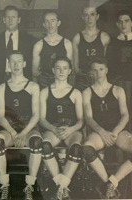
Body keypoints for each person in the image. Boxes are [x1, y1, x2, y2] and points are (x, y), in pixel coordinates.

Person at [82, 57, 132, 199]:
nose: (98, 73)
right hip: (99, 132)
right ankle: (106, 182)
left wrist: (114, 133)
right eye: (94, 70)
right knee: (86, 148)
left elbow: (125, 115)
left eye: (101, 69)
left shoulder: (118, 90)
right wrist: (102, 132)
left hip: (118, 132)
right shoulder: (87, 92)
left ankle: (112, 182)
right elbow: (89, 118)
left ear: (107, 70)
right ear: (91, 72)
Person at [0, 50, 41, 200]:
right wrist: (14, 133)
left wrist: (23, 133)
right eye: (12, 62)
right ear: (8, 64)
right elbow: (0, 116)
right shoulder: (1, 88)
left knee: (37, 141)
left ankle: (29, 186)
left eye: (19, 61)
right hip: (9, 129)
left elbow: (36, 115)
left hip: (28, 128)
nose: (16, 65)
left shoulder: (33, 86)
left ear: (24, 64)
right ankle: (4, 186)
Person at [39, 56, 83, 200]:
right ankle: (62, 185)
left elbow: (81, 120)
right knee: (45, 146)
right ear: (53, 70)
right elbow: (42, 119)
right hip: (53, 130)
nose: (61, 71)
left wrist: (70, 130)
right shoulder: (45, 92)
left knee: (76, 148)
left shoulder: (76, 93)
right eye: (58, 68)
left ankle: (61, 187)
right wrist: (53, 128)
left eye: (65, 68)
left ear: (70, 71)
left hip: (71, 130)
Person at [106, 10, 132, 136]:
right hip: (119, 84)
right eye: (120, 22)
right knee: (120, 116)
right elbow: (110, 66)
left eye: (126, 21)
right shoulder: (112, 44)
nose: (123, 24)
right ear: (117, 24)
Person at [0, 5, 34, 86]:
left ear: (19, 20)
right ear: (4, 20)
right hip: (1, 80)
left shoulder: (29, 40)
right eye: (8, 17)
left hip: (22, 80)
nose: (10, 20)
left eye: (13, 17)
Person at [72, 5, 110, 91]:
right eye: (86, 15)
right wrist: (83, 75)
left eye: (92, 14)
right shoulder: (77, 37)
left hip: (99, 77)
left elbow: (106, 62)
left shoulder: (104, 37)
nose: (89, 18)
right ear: (83, 17)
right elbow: (76, 66)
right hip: (83, 79)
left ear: (97, 16)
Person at [32, 10, 72, 88]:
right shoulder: (38, 45)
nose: (50, 25)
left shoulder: (67, 44)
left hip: (62, 83)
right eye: (47, 21)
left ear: (58, 23)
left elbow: (70, 70)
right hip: (44, 83)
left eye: (53, 21)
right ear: (44, 25)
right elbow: (35, 72)